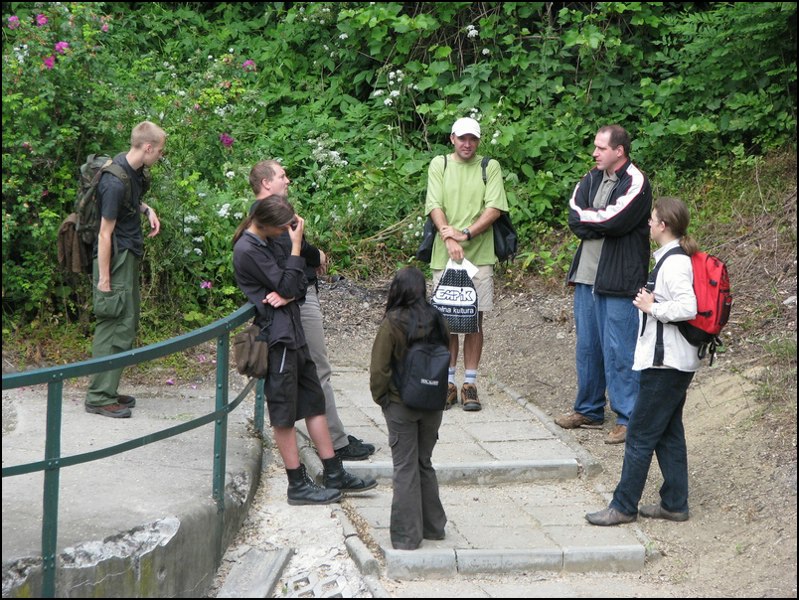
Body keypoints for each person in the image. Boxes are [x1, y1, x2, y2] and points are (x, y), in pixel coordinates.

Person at [232, 196, 377, 505]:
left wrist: (288, 292)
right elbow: (289, 282)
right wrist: (296, 251)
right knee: (284, 411)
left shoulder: (269, 240)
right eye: (283, 228)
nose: (287, 233)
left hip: (294, 331)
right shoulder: (247, 249)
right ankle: (297, 484)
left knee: (313, 402)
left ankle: (334, 472)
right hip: (278, 339)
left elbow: (298, 285)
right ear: (267, 224)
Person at [248, 159, 376, 460]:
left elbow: (298, 248)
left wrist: (314, 254)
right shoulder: (267, 218)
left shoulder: (270, 214)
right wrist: (301, 278)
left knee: (310, 371)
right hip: (297, 300)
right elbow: (288, 260)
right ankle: (336, 444)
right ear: (266, 183)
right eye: (282, 176)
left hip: (296, 296)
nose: (287, 180)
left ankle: (331, 440)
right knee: (317, 370)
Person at [586, 196, 700, 526]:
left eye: (652, 219)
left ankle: (623, 506)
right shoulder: (670, 258)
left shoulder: (674, 263)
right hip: (671, 362)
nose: (648, 223)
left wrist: (652, 308)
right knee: (668, 433)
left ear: (663, 225)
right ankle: (674, 504)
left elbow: (688, 307)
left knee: (638, 434)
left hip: (666, 364)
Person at [555, 124, 652, 444]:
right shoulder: (591, 177)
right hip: (586, 276)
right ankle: (589, 410)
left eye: (601, 148)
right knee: (588, 347)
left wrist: (595, 219)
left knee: (620, 349)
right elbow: (574, 215)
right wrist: (599, 221)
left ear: (619, 151)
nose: (594, 153)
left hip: (619, 279)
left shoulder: (635, 181)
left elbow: (616, 220)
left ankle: (628, 417)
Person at [424, 116, 509, 412]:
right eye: (462, 138)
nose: (467, 144)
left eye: (473, 138)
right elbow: (434, 204)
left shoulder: (489, 166)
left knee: (474, 319)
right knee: (446, 320)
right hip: (444, 255)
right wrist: (450, 237)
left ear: (479, 141)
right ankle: (448, 382)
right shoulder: (440, 164)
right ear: (452, 139)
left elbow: (494, 208)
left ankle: (469, 383)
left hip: (480, 255)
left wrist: (466, 234)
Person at [84, 121, 166, 418]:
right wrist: (104, 279)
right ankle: (99, 396)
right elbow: (104, 234)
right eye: (160, 151)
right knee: (113, 323)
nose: (160, 156)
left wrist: (146, 209)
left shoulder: (131, 171)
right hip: (114, 258)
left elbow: (130, 203)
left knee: (125, 323)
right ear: (148, 147)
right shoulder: (114, 182)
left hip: (126, 254)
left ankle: (107, 388)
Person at [369, 266, 449, 549]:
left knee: (405, 467)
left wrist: (383, 399)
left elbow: (379, 370)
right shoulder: (438, 318)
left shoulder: (392, 322)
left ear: (397, 290)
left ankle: (406, 536)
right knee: (424, 462)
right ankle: (433, 527)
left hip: (401, 404)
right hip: (433, 403)